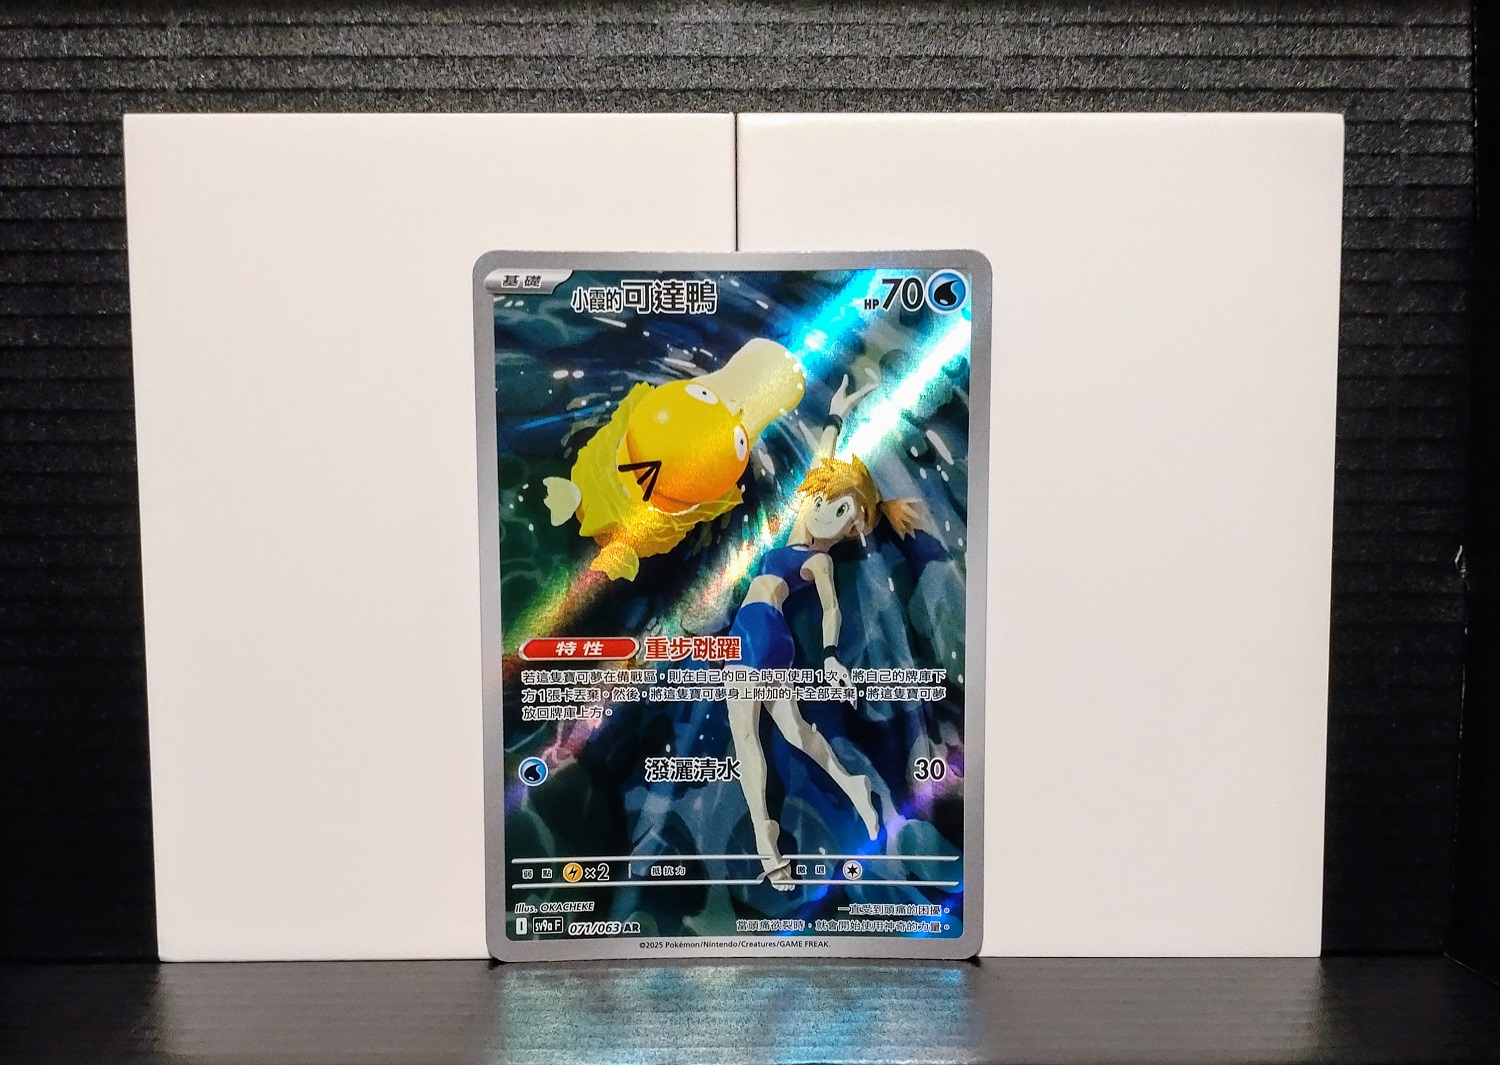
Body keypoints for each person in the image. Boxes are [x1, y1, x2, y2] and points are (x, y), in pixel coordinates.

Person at [725, 372, 926, 889]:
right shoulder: (801, 537)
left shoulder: (819, 560)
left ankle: (767, 845)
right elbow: (822, 465)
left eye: (843, 513)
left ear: (853, 528)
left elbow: (831, 610)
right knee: (795, 733)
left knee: (748, 741)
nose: (825, 511)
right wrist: (836, 413)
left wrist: (833, 655)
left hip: (756, 633)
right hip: (767, 640)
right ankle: (854, 785)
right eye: (827, 501)